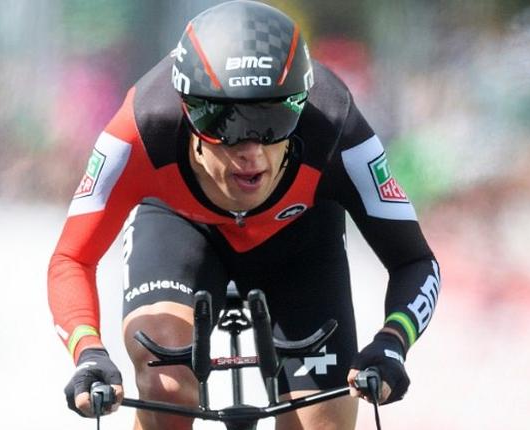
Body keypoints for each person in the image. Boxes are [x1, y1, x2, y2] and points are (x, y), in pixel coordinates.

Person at [48, 1, 440, 429]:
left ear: (301, 105)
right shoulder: (140, 127)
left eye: (274, 119)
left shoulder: (337, 125)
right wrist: (89, 351)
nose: (250, 151)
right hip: (180, 227)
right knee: (167, 386)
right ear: (187, 109)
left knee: (321, 423)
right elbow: (72, 258)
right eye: (223, 122)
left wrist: (391, 341)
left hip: (300, 239)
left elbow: (415, 260)